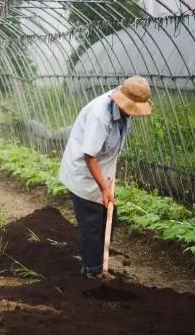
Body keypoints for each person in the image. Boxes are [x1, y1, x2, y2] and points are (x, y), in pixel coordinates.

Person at [59, 76, 153, 278]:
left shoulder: (124, 112)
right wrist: (103, 188)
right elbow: (89, 156)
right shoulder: (100, 115)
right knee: (92, 223)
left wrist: (107, 184)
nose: (134, 113)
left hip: (103, 173)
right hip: (84, 174)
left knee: (110, 218)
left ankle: (97, 264)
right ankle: (92, 273)